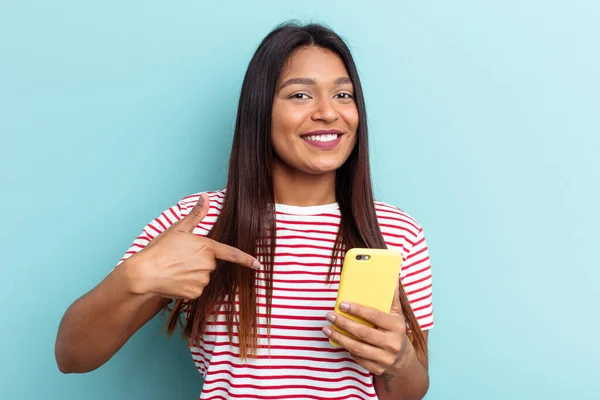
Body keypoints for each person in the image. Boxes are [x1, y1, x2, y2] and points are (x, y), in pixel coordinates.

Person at [55, 21, 434, 400]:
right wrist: (135, 277)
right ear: (259, 110)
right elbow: (72, 356)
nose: (327, 113)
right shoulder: (198, 221)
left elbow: (408, 392)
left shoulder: (398, 232)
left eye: (343, 95)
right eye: (300, 95)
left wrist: (398, 361)